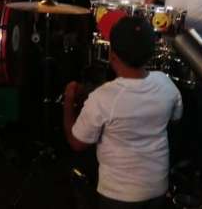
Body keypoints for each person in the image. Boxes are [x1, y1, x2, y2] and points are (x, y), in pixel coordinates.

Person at [63, 15, 183, 209]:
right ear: (151, 53)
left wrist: (68, 101)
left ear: (112, 55)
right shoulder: (166, 84)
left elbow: (77, 142)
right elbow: (175, 118)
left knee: (78, 166)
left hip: (119, 195)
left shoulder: (103, 98)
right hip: (158, 187)